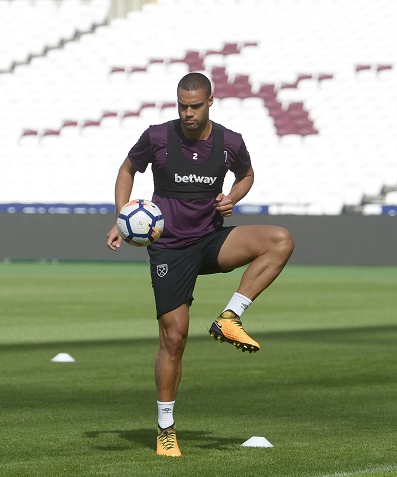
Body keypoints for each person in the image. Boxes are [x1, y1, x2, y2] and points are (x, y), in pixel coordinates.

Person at [105, 72, 294, 457]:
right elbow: (127, 170)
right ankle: (166, 429)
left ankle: (230, 317)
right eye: (181, 105)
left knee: (280, 240)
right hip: (169, 248)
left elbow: (246, 174)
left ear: (210, 102)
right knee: (174, 340)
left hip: (210, 240)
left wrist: (233, 197)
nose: (187, 113)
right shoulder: (157, 136)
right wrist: (121, 214)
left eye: (194, 106)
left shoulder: (230, 142)